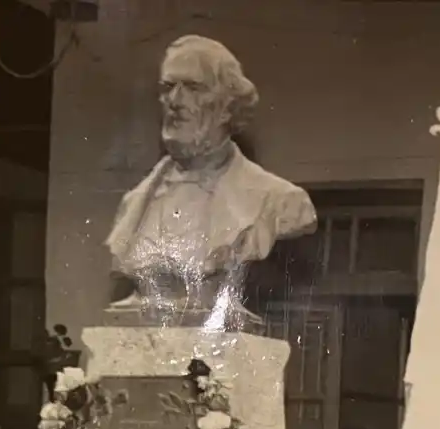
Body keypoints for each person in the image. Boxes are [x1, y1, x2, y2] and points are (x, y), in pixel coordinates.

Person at [105, 35, 316, 324]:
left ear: (227, 106)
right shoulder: (132, 204)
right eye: (168, 88)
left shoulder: (278, 200)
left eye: (193, 88)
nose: (175, 102)